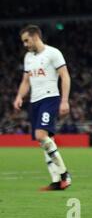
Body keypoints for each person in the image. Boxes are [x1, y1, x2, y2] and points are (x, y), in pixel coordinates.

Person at [13, 25, 72, 191]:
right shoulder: (28, 57)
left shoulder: (53, 53)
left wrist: (65, 100)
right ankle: (56, 181)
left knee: (41, 135)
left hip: (50, 97)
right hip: (35, 101)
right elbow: (26, 81)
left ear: (35, 36)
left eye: (26, 40)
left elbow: (65, 76)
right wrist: (19, 96)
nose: (25, 44)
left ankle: (64, 174)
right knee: (45, 141)